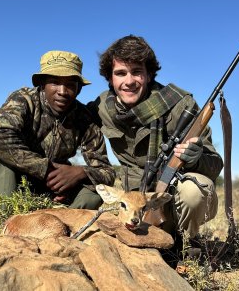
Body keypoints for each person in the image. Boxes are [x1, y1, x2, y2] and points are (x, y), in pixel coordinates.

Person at [88, 35, 223, 260]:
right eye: (120, 73)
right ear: (110, 78)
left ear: (149, 75)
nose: (129, 81)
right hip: (132, 207)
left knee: (193, 190)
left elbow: (215, 163)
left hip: (169, 202)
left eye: (137, 72)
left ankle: (187, 244)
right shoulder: (101, 107)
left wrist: (195, 158)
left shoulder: (180, 104)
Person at [0, 50, 115, 214]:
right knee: (0, 157)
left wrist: (79, 173)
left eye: (70, 84)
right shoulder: (24, 100)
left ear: (79, 89)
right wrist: (46, 169)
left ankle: (67, 226)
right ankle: (2, 223)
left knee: (96, 191)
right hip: (19, 183)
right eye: (54, 82)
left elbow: (107, 173)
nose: (62, 91)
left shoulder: (84, 119)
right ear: (42, 84)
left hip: (56, 192)